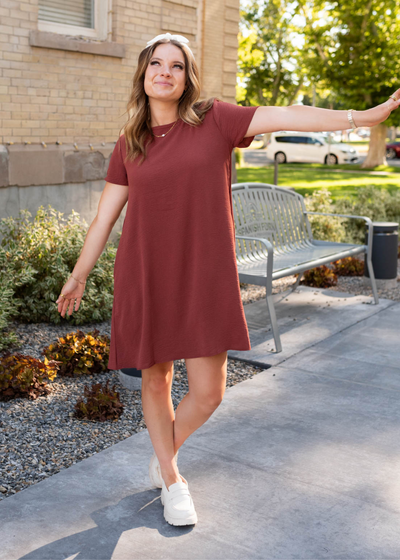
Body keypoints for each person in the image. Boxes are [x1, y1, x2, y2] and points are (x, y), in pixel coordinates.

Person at [55, 32, 400, 526]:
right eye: (157, 64)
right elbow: (105, 218)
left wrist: (359, 119)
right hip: (146, 272)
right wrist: (79, 274)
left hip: (203, 273)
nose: (166, 72)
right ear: (143, 74)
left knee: (209, 391)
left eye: (176, 65)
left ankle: (165, 454)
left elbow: (286, 113)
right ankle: (173, 481)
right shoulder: (130, 144)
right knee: (155, 380)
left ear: (187, 77)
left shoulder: (215, 119)